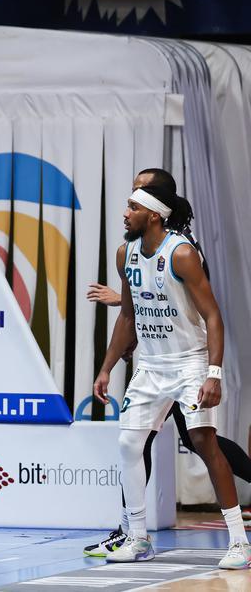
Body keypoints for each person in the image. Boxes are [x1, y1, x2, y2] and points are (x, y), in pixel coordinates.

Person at [82, 168, 251, 558]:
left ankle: (239, 541)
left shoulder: (183, 252)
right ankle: (136, 537)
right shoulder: (126, 253)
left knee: (203, 441)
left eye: (132, 205)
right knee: (128, 443)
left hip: (189, 362)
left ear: (154, 213)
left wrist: (214, 372)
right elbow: (128, 316)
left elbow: (213, 315)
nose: (124, 212)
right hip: (151, 365)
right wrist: (106, 367)